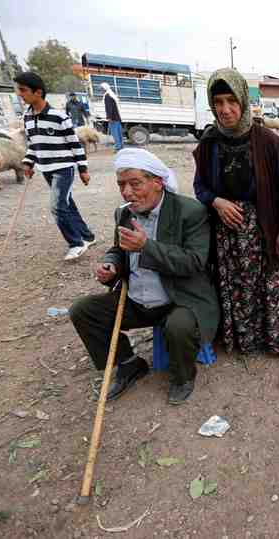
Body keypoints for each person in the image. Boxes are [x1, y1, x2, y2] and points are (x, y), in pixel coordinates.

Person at [70, 148, 218, 404]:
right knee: (83, 310)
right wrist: (111, 265)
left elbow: (194, 262)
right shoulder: (124, 213)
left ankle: (183, 377)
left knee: (179, 326)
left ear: (158, 182)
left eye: (135, 184)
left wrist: (146, 247)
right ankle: (129, 364)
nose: (127, 192)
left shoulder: (190, 212)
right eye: (121, 185)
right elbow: (119, 249)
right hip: (138, 298)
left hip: (179, 298)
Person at [192, 68, 279, 363]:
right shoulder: (210, 142)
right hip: (227, 234)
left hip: (263, 225)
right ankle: (244, 340)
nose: (225, 109)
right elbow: (199, 187)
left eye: (231, 100)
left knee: (272, 284)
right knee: (236, 286)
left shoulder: (267, 141)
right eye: (218, 102)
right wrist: (216, 202)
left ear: (242, 100)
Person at [14, 71, 96, 261]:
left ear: (38, 92)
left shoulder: (59, 117)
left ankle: (76, 244)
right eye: (19, 90)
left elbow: (75, 144)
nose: (20, 94)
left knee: (57, 207)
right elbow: (34, 144)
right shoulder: (27, 117)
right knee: (67, 204)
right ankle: (86, 236)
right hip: (46, 169)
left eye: (23, 90)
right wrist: (28, 162)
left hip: (64, 168)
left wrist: (83, 170)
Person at [101, 82, 123, 151]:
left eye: (102, 88)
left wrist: (109, 117)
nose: (101, 90)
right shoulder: (112, 95)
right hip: (117, 117)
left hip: (113, 118)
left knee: (115, 133)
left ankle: (118, 147)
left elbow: (109, 108)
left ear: (104, 89)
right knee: (119, 133)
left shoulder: (107, 96)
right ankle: (121, 145)